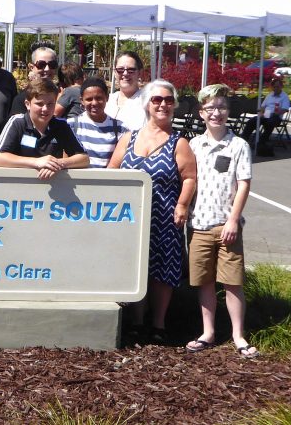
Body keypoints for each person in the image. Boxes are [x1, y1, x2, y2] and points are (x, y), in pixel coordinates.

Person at [108, 79, 196, 343]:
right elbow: (112, 170)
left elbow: (190, 177)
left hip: (165, 217)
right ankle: (136, 321)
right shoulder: (129, 138)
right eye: (157, 100)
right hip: (131, 219)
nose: (163, 105)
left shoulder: (178, 142)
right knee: (136, 268)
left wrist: (182, 205)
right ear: (147, 104)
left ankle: (158, 324)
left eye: (169, 100)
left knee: (162, 271)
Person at [185, 84, 258, 358]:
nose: (216, 113)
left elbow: (243, 184)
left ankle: (238, 335)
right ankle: (208, 331)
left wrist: (233, 220)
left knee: (232, 282)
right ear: (201, 113)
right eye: (210, 108)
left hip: (227, 226)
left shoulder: (239, 145)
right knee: (204, 281)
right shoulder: (193, 145)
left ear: (229, 111)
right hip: (199, 225)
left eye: (222, 108)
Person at [0, 79, 89, 178]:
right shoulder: (17, 122)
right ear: (27, 104)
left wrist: (56, 164)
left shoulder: (61, 125)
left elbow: (84, 158)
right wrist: (36, 162)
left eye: (50, 104)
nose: (45, 109)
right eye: (39, 104)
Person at [68, 77, 125, 168]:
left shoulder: (120, 128)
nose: (94, 103)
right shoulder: (70, 125)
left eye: (99, 98)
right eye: (89, 99)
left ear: (107, 98)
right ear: (82, 100)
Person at [241, 77, 291, 152]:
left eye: (277, 87)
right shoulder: (269, 95)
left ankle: (261, 142)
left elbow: (285, 109)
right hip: (265, 115)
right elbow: (262, 107)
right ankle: (243, 140)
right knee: (252, 121)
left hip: (276, 116)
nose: (276, 88)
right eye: (274, 87)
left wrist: (275, 113)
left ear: (281, 87)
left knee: (270, 123)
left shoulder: (284, 97)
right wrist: (261, 113)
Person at [10, 45, 57, 116]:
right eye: (41, 64)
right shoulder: (22, 99)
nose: (47, 69)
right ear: (31, 67)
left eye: (52, 64)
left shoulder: (60, 94)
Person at [104, 51, 146, 131]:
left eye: (131, 70)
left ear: (140, 73)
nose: (125, 73)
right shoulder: (108, 100)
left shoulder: (147, 102)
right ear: (114, 72)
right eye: (120, 69)